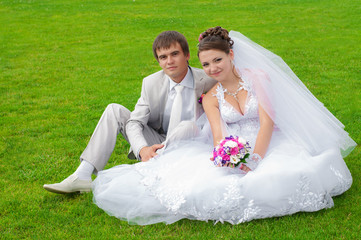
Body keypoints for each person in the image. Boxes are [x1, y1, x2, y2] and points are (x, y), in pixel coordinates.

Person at [91, 27, 356, 225]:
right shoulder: (210, 98)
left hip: (271, 140)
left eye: (218, 60)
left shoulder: (257, 78)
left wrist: (255, 158)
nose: (212, 68)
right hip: (237, 142)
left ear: (231, 55)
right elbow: (218, 136)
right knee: (208, 184)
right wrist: (227, 157)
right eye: (205, 64)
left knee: (289, 174)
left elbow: (267, 122)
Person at [43, 31, 216, 194]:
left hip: (193, 143)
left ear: (187, 55)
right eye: (163, 57)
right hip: (159, 143)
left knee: (187, 126)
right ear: (158, 61)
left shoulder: (208, 80)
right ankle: (82, 175)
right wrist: (142, 149)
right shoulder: (151, 83)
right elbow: (134, 122)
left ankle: (156, 169)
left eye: (174, 54)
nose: (169, 61)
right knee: (114, 110)